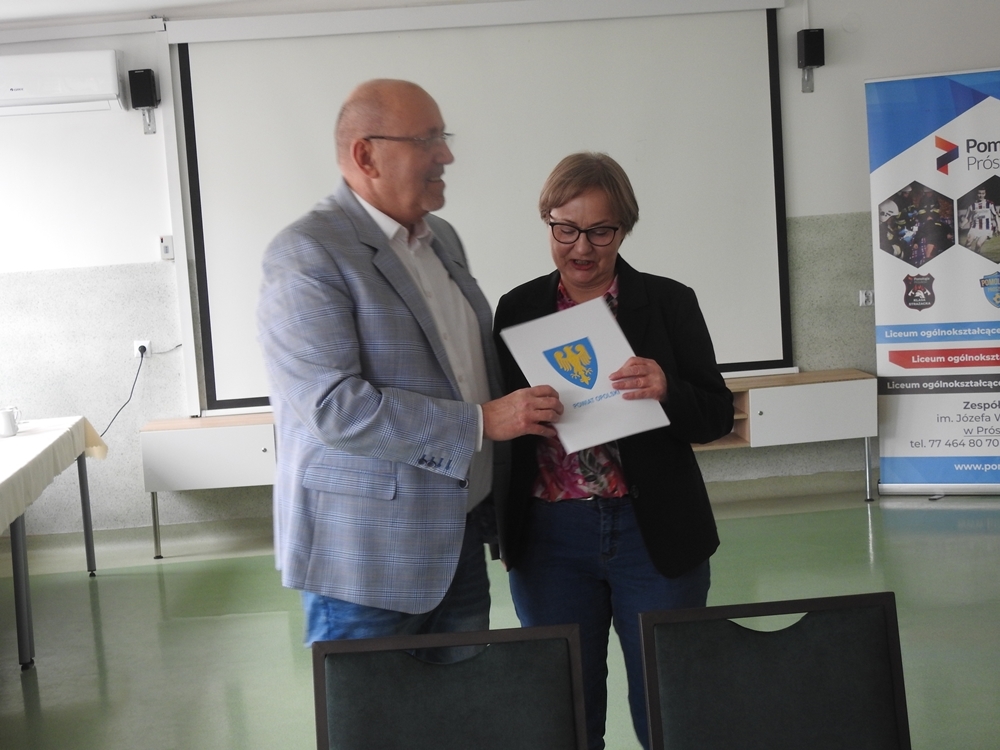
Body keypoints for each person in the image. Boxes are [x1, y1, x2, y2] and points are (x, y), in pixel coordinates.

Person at [257, 79, 562, 652]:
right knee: (372, 707)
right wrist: (482, 423)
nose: (446, 155)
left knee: (462, 703)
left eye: (443, 137)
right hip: (364, 560)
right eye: (426, 140)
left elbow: (463, 364)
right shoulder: (307, 252)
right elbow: (335, 408)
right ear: (366, 155)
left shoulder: (442, 238)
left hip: (456, 538)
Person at [493, 152, 734, 749]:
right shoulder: (517, 308)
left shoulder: (669, 302)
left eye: (600, 231)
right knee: (565, 713)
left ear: (624, 229)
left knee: (669, 706)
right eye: (565, 229)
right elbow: (501, 421)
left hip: (653, 535)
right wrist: (520, 415)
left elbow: (715, 415)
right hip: (549, 538)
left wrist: (668, 389)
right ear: (548, 223)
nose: (581, 248)